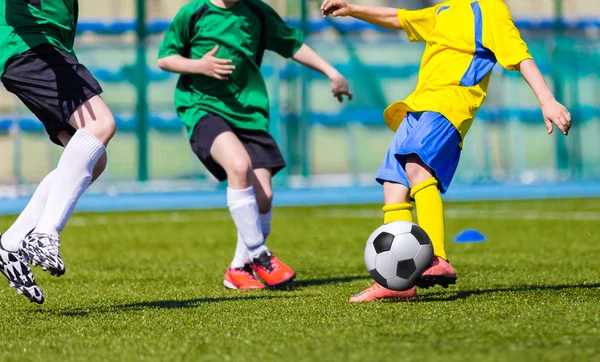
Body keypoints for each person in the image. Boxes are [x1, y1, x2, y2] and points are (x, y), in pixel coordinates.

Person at [320, 0, 572, 302]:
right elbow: (399, 18)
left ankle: (436, 257)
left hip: (450, 105)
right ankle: (399, 282)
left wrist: (546, 100)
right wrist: (353, 9)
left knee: (416, 166)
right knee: (393, 185)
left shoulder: (489, 9)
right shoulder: (444, 9)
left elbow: (520, 56)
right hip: (416, 107)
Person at [158, 0, 352, 290]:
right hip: (203, 108)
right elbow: (165, 58)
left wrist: (332, 72)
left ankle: (238, 268)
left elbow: (292, 45)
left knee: (263, 197)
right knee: (239, 166)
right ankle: (260, 255)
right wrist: (199, 65)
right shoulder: (194, 12)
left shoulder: (258, 12)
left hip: (249, 113)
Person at [0, 0, 116, 304]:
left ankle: (12, 242)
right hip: (31, 47)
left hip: (48, 50)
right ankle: (45, 233)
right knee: (100, 124)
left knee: (95, 160)